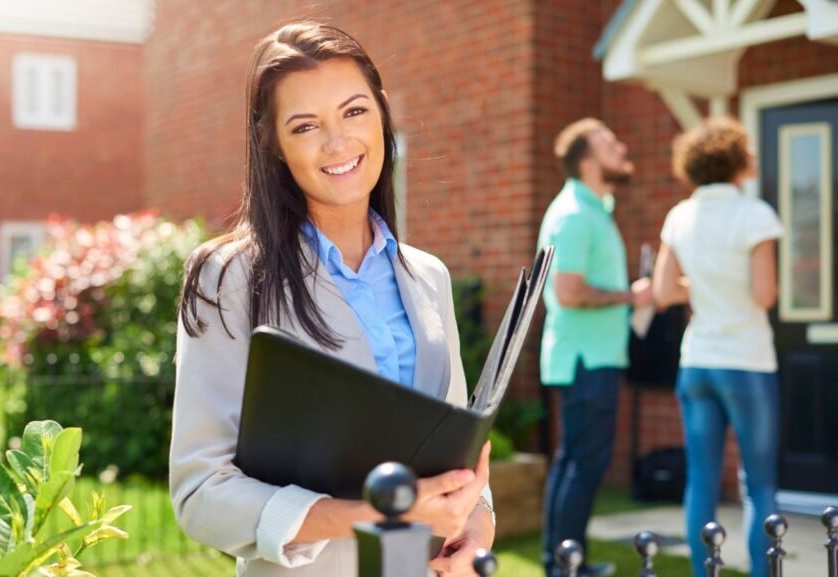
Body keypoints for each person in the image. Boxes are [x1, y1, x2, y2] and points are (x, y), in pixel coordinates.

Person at [170, 21, 495, 577]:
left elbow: (455, 455)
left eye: (354, 112)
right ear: (272, 142)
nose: (338, 143)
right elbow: (201, 493)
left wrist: (476, 526)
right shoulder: (229, 277)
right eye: (305, 126)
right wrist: (363, 514)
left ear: (383, 112)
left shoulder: (428, 277)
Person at [652, 117, 781, 577]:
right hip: (747, 363)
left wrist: (706, 284)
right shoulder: (756, 213)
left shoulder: (680, 214)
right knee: (759, 484)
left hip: (698, 364)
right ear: (735, 158)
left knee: (701, 481)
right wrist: (729, 283)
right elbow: (765, 295)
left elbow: (663, 291)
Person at [537, 118, 652, 577]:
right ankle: (565, 564)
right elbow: (568, 292)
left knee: (576, 463)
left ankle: (564, 561)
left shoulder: (594, 209)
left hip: (593, 358)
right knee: (582, 465)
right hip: (586, 361)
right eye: (610, 143)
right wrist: (632, 296)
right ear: (588, 161)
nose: (622, 146)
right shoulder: (574, 215)